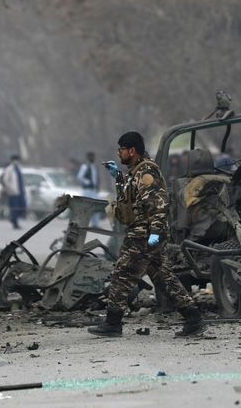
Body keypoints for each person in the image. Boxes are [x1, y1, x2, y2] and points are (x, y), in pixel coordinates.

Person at [88, 131, 204, 338]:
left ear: (131, 150)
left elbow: (158, 205)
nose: (118, 153)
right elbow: (133, 197)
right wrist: (119, 177)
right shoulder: (137, 172)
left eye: (121, 149)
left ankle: (112, 323)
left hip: (143, 235)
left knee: (121, 275)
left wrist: (156, 233)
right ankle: (193, 318)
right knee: (164, 278)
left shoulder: (147, 172)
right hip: (143, 233)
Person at [77, 151, 103, 227]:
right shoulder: (85, 166)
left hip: (94, 190)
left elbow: (96, 178)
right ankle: (83, 223)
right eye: (91, 157)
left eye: (93, 157)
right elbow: (80, 177)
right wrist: (88, 182)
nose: (93, 158)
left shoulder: (94, 166)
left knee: (96, 207)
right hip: (87, 190)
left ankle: (95, 224)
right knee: (87, 207)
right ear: (88, 157)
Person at [2, 154, 26, 230]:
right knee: (14, 208)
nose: (17, 161)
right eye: (15, 160)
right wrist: (11, 189)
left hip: (20, 191)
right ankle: (15, 223)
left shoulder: (18, 168)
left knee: (23, 207)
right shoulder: (9, 169)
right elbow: (5, 180)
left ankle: (13, 219)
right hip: (13, 192)